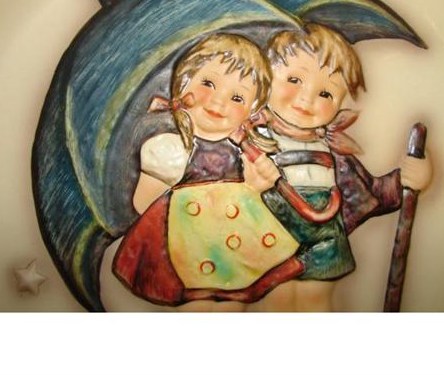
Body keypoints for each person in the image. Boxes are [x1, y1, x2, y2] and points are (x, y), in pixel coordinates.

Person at [244, 23, 433, 311]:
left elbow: (372, 193)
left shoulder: (332, 153)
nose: (306, 98)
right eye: (294, 79)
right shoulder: (251, 141)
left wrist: (409, 179)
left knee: (315, 301)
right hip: (271, 236)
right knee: (276, 300)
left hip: (324, 241)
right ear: (266, 77)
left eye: (326, 94)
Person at [113, 33, 303, 307]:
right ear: (183, 82)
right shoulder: (169, 145)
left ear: (251, 112)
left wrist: (256, 186)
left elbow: (248, 204)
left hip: (233, 254)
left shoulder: (240, 151)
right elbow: (143, 203)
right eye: (208, 83)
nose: (218, 102)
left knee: (235, 303)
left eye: (237, 97)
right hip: (180, 252)